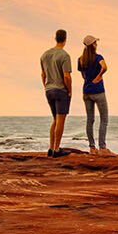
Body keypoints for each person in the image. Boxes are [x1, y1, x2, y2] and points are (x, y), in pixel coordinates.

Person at [39, 29, 73, 157]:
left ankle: (51, 148)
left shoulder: (44, 55)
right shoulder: (64, 55)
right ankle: (57, 149)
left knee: (55, 119)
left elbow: (43, 75)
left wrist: (46, 87)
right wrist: (69, 90)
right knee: (60, 120)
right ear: (65, 39)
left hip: (49, 90)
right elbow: (66, 77)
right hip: (60, 90)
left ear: (55, 38)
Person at [78, 35, 109, 153]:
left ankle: (92, 147)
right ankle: (102, 147)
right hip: (98, 91)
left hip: (86, 92)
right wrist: (99, 76)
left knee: (90, 120)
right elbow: (105, 67)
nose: (97, 44)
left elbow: (83, 75)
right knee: (104, 119)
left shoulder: (80, 59)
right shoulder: (98, 57)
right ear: (93, 45)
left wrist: (89, 81)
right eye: (96, 42)